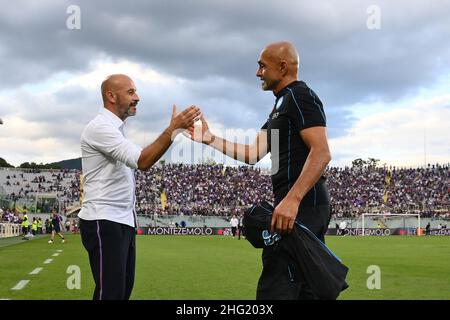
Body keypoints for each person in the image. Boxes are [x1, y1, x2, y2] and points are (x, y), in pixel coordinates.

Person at [188, 42, 332, 300]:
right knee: (297, 286)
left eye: (262, 66)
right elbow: (253, 154)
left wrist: (292, 199)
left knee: (279, 286)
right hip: (291, 207)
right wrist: (209, 139)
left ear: (283, 67)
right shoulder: (281, 104)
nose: (258, 73)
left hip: (301, 206)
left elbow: (321, 152)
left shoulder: (301, 96)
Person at [78, 74, 200, 300]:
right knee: (111, 295)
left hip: (120, 220)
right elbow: (143, 161)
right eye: (131, 92)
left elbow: (141, 157)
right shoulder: (99, 128)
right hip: (104, 219)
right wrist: (172, 129)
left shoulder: (114, 129)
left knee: (121, 293)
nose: (138, 98)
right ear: (111, 96)